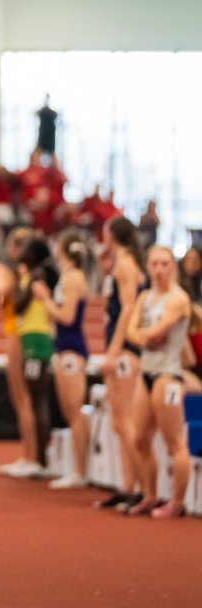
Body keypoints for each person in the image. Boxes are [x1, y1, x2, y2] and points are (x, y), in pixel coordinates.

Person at [124, 246, 192, 518]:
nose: (159, 269)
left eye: (165, 264)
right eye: (154, 264)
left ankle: (177, 502)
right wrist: (145, 334)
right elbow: (132, 332)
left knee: (174, 442)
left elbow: (159, 332)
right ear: (148, 266)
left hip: (168, 376)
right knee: (139, 439)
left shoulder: (178, 299)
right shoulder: (145, 297)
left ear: (172, 267)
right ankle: (150, 495)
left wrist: (144, 333)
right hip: (147, 373)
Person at [94, 216, 147, 510]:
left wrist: (114, 351)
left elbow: (128, 309)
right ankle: (129, 486)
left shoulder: (125, 265)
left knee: (125, 421)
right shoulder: (121, 264)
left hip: (126, 349)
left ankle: (142, 488)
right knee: (119, 421)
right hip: (121, 346)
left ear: (112, 235)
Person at [34, 231, 91, 489]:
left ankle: (80, 470)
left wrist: (45, 299)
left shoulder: (72, 278)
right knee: (69, 411)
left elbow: (67, 317)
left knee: (74, 411)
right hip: (65, 346)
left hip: (72, 348)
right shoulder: (69, 277)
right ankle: (77, 468)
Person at [0, 227, 42, 478]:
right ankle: (31, 455)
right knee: (25, 399)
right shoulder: (26, 274)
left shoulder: (15, 274)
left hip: (16, 334)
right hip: (18, 333)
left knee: (21, 397)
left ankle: (30, 455)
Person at [11, 237, 59, 477]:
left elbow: (17, 306)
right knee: (35, 398)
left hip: (36, 341)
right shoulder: (32, 277)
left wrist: (24, 284)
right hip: (32, 339)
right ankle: (39, 458)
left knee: (37, 398)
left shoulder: (36, 277)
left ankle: (41, 459)